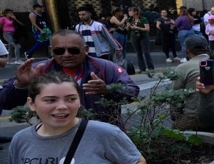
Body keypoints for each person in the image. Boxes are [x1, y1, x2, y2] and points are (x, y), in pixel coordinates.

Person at [0, 72, 147, 164]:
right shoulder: (21, 140)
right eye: (50, 100)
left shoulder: (104, 133)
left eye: (71, 99)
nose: (62, 106)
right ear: (32, 104)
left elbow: (137, 163)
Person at [0, 30, 139, 125]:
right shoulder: (37, 70)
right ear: (51, 51)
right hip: (56, 135)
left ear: (85, 49)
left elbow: (132, 92)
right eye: (59, 50)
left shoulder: (105, 67)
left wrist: (108, 90)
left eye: (73, 50)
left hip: (103, 134)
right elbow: (5, 103)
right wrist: (21, 85)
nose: (66, 55)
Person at [170, 35, 211, 131]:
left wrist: (176, 117)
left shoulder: (183, 67)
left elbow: (175, 97)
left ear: (186, 51)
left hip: (192, 116)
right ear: (208, 48)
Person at [126, 6, 155, 76]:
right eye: (129, 11)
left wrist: (137, 28)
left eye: (131, 11)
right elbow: (127, 29)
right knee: (138, 53)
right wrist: (128, 26)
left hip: (143, 35)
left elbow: (147, 29)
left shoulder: (143, 19)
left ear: (135, 12)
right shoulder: (130, 19)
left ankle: (150, 67)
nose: (129, 13)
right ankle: (142, 68)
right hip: (134, 36)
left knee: (146, 52)